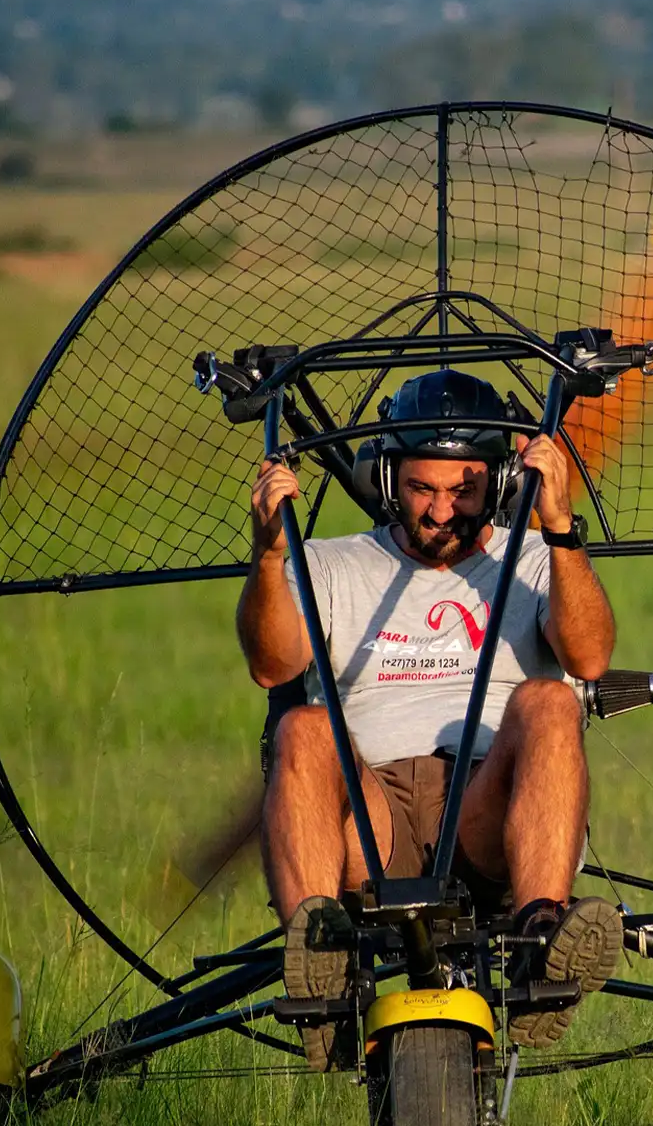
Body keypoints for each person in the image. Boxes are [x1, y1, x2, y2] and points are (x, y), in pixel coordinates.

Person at [237, 369, 623, 1069]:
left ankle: (542, 950)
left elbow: (591, 656)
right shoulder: (326, 563)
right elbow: (272, 665)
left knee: (549, 699)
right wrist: (268, 555)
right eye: (422, 489)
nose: (442, 511)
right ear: (387, 480)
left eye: (463, 491)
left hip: (486, 813)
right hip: (369, 815)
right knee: (303, 727)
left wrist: (560, 528)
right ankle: (320, 958)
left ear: (500, 484)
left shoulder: (536, 560)